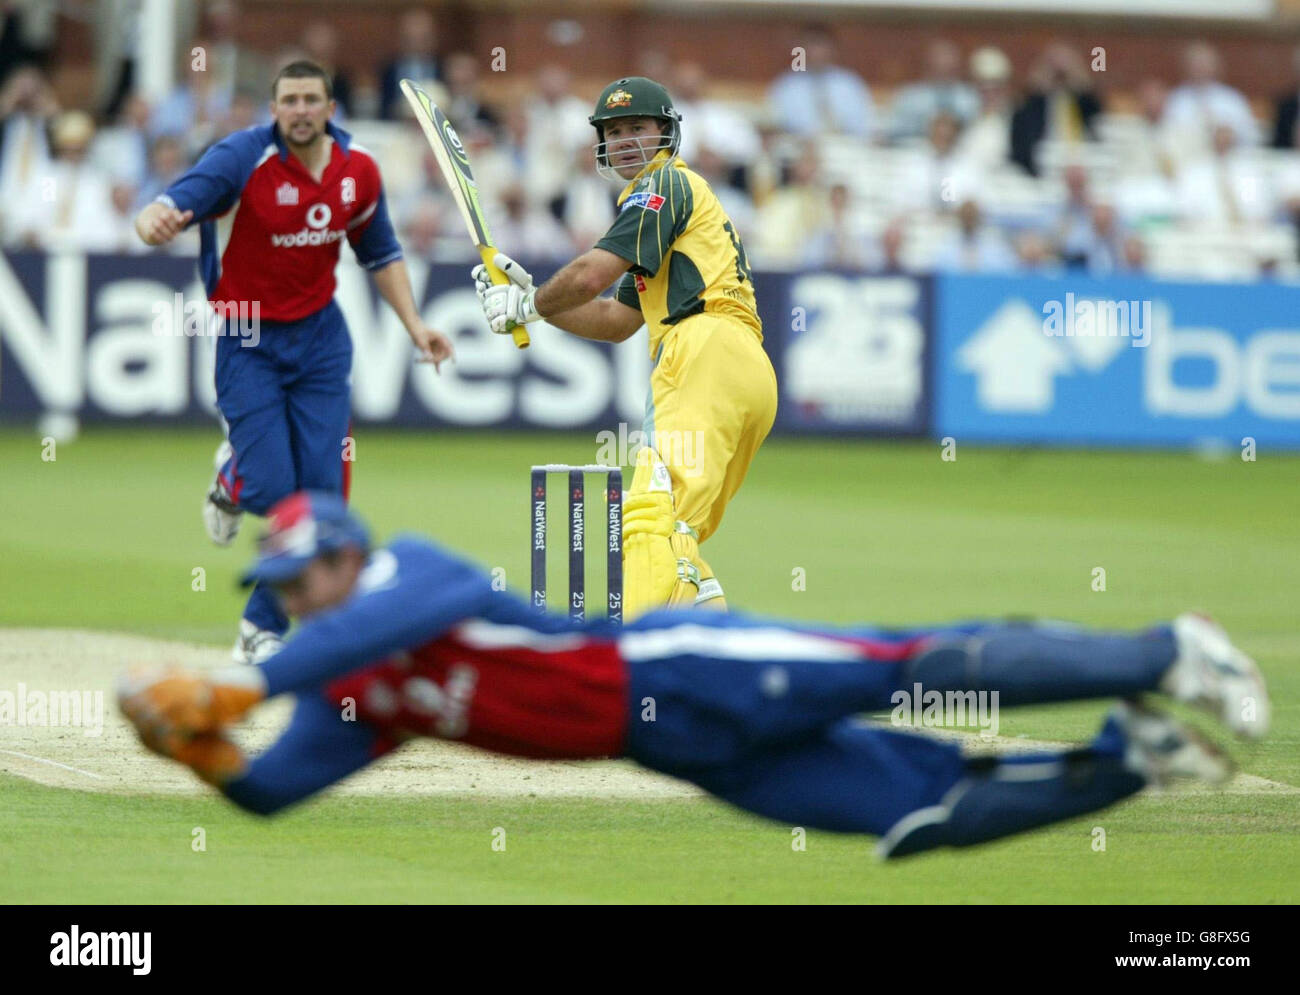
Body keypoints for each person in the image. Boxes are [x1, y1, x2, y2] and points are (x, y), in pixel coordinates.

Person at [118, 492, 1270, 860]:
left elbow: (373, 629)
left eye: (294, 576)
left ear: (340, 556)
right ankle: (1135, 759)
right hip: (679, 744)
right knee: (917, 818)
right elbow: (272, 792)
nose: (285, 597)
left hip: (685, 664)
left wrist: (236, 689)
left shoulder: (408, 572)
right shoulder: (350, 691)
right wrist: (198, 750)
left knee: (904, 662)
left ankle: (1165, 646)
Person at [132, 60, 453, 665]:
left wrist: (415, 325)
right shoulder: (241, 157)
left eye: (311, 99)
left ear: (330, 109)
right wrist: (155, 217)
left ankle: (261, 624)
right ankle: (233, 479)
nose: (300, 110)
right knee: (275, 491)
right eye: (289, 100)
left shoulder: (358, 170)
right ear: (274, 109)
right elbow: (177, 200)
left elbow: (380, 251)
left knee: (324, 505)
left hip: (321, 341)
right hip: (248, 336)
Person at [474, 76, 777, 620]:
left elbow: (591, 273)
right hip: (746, 371)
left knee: (648, 516)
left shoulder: (663, 186)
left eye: (638, 127)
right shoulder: (666, 205)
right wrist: (531, 300)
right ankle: (708, 645)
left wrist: (530, 306)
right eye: (614, 132)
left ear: (666, 133)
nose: (626, 141)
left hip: (701, 351)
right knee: (678, 533)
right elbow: (615, 321)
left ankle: (634, 669)